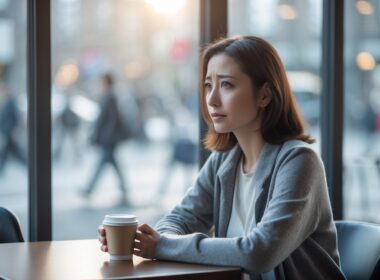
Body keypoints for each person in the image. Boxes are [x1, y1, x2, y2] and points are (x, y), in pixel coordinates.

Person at [98, 36, 345, 279]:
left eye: (226, 84)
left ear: (265, 96)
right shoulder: (224, 160)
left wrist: (162, 246)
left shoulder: (300, 162)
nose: (212, 99)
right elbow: (178, 220)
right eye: (208, 85)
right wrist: (148, 239)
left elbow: (259, 252)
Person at [81, 73, 130, 206]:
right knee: (111, 164)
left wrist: (99, 136)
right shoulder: (110, 96)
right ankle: (123, 191)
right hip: (109, 138)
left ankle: (89, 189)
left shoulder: (109, 97)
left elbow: (106, 120)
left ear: (106, 82)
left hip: (108, 138)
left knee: (104, 164)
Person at [0, 85, 27, 174]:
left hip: (10, 132)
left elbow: (17, 118)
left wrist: (15, 131)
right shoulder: (7, 102)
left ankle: (29, 165)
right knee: (7, 152)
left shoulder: (12, 103)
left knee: (12, 152)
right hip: (7, 132)